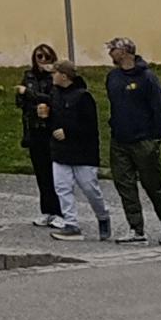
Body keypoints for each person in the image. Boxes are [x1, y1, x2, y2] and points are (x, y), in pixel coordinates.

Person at [100, 37, 161, 247]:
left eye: (113, 49)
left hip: (144, 140)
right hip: (120, 140)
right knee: (125, 185)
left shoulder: (147, 78)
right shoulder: (113, 77)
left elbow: (159, 110)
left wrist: (155, 138)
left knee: (152, 186)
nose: (110, 54)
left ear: (124, 52)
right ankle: (136, 228)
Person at [42, 59, 114, 242]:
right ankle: (71, 224)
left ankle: (103, 216)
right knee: (62, 187)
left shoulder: (83, 97)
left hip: (83, 153)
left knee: (90, 189)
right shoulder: (54, 94)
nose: (52, 76)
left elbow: (90, 127)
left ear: (64, 76)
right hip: (60, 151)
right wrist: (45, 118)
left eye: (54, 73)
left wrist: (69, 132)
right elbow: (53, 121)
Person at [15, 47, 66, 228]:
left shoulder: (54, 77)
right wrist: (28, 99)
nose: (42, 60)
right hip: (33, 128)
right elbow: (19, 101)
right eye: (39, 56)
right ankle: (47, 211)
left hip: (49, 130)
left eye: (46, 57)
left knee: (55, 174)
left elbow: (53, 98)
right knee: (41, 173)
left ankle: (61, 212)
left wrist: (29, 94)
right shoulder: (28, 76)